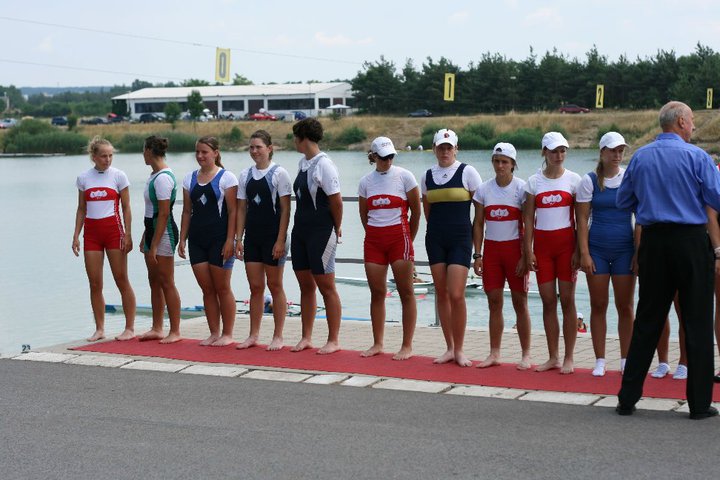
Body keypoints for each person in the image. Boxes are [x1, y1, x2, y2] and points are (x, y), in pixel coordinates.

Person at [616, 101, 720, 419]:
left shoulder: (640, 157)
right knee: (697, 321)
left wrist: (650, 202)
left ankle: (627, 398)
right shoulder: (698, 157)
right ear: (680, 122)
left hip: (654, 242)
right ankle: (699, 404)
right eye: (691, 120)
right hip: (690, 242)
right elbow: (716, 199)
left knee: (648, 318)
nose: (694, 126)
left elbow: (623, 200)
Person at [575, 132, 636, 377]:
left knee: (625, 306)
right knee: (598, 305)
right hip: (597, 250)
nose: (617, 155)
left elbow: (640, 217)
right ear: (602, 152)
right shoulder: (589, 181)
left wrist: (638, 253)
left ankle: (626, 359)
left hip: (625, 250)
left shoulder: (630, 178)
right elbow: (581, 220)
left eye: (621, 151)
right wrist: (584, 254)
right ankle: (600, 360)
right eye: (612, 150)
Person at [422, 128, 483, 367]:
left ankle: (459, 349)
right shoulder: (427, 175)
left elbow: (480, 212)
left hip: (460, 239)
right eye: (441, 147)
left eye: (449, 147)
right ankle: (449, 347)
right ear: (434, 149)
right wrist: (437, 231)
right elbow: (427, 210)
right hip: (435, 239)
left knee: (457, 294)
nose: (445, 151)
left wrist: (478, 249)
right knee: (442, 292)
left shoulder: (468, 172)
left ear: (456, 149)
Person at [523, 132, 581, 374]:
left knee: (567, 301)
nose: (559, 155)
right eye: (554, 151)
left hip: (566, 247)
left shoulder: (574, 180)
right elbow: (528, 219)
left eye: (562, 151)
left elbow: (581, 219)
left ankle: (569, 357)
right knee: (548, 302)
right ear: (544, 152)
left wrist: (579, 251)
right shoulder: (533, 182)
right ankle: (553, 357)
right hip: (543, 249)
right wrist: (528, 251)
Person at [358, 137, 420, 360]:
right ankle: (377, 343)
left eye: (391, 156)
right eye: (383, 157)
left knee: (406, 292)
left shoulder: (405, 176)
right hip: (374, 241)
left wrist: (408, 239)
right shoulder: (365, 182)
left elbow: (416, 213)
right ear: (374, 156)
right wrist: (374, 234)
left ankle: (406, 346)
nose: (388, 161)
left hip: (399, 239)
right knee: (377, 293)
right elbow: (364, 215)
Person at [472, 142, 531, 370]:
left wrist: (526, 255)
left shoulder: (522, 188)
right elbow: (478, 224)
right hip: (492, 252)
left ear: (513, 164)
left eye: (504, 162)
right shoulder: (483, 190)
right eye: (496, 161)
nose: (500, 166)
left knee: (520, 302)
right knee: (494, 302)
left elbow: (529, 223)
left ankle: (526, 354)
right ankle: (494, 353)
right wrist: (478, 255)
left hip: (515, 251)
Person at [72, 136, 136, 342]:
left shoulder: (119, 176)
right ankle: (99, 329)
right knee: (95, 283)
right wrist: (76, 235)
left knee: (121, 279)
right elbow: (81, 209)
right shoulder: (83, 178)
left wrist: (128, 234)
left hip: (114, 233)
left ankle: (129, 328)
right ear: (94, 157)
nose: (107, 160)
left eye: (110, 156)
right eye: (103, 156)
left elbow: (126, 207)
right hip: (91, 235)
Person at [235, 130, 292, 351]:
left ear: (269, 148)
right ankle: (253, 335)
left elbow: (285, 210)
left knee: (275, 286)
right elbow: (241, 209)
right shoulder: (245, 175)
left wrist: (280, 240)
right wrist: (238, 239)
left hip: (273, 237)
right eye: (251, 147)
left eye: (258, 147)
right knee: (256, 287)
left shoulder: (279, 174)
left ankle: (278, 335)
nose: (254, 151)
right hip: (253, 237)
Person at [290, 118, 343, 354]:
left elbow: (336, 201)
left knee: (326, 286)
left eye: (295, 137)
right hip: (300, 231)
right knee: (305, 286)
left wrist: (337, 227)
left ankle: (333, 340)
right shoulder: (303, 163)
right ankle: (306, 337)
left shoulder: (325, 165)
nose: (293, 141)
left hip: (321, 232)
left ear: (303, 138)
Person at [179, 136, 238, 347]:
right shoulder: (189, 179)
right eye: (197, 152)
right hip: (197, 240)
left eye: (204, 152)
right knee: (207, 289)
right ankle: (214, 332)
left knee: (222, 288)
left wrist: (231, 240)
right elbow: (187, 211)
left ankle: (227, 334)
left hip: (220, 240)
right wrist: (182, 239)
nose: (200, 156)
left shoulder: (227, 178)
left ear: (215, 153)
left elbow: (233, 211)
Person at [139, 135, 182, 343]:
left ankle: (175, 331)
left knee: (166, 281)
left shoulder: (164, 178)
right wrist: (144, 236)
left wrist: (155, 245)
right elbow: (151, 211)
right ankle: (157, 328)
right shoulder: (153, 175)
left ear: (149, 150)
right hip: (152, 231)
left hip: (164, 233)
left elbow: (164, 214)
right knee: (154, 281)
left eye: (143, 150)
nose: (143, 154)